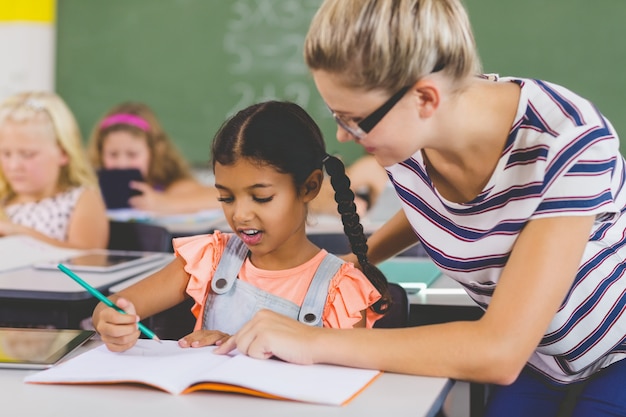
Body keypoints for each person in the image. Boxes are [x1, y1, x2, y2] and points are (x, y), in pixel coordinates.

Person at [215, 1, 626, 416]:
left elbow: (499, 351)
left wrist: (311, 342)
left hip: (613, 348)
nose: (343, 134)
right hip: (541, 359)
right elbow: (432, 203)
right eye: (337, 115)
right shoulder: (408, 137)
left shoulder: (568, 140)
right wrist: (357, 260)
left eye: (355, 120)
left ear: (425, 98)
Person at [92, 101, 391, 352]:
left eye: (261, 198)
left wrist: (236, 349)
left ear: (309, 187)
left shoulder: (341, 291)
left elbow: (341, 379)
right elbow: (113, 306)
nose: (240, 215)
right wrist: (112, 319)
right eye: (226, 197)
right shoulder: (210, 258)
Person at [0, 91, 108, 249]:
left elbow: (90, 259)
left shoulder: (79, 199)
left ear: (63, 152)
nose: (14, 165)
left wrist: (21, 234)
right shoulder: (4, 201)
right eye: (5, 153)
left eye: (28, 155)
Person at [88, 101, 220, 214]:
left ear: (155, 152)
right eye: (113, 154)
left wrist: (164, 202)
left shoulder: (169, 186)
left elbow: (221, 197)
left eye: (132, 154)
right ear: (100, 153)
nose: (122, 163)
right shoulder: (91, 188)